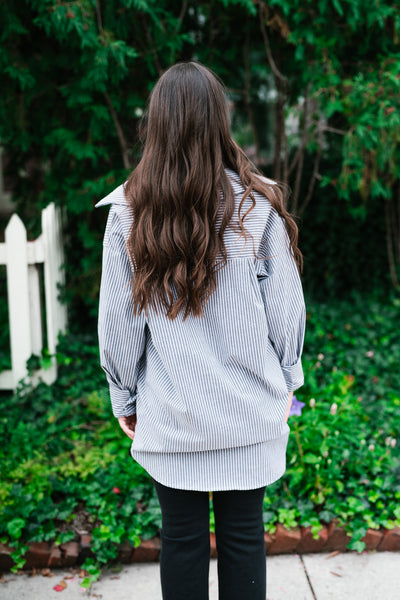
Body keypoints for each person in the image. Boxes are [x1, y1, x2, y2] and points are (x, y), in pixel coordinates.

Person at [96, 61, 306, 600]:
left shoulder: (129, 213)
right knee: (243, 538)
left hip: (172, 413)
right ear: (219, 120)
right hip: (248, 412)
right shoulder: (257, 208)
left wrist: (125, 398)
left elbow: (118, 325)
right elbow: (287, 312)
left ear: (156, 123)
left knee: (182, 540)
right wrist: (287, 382)